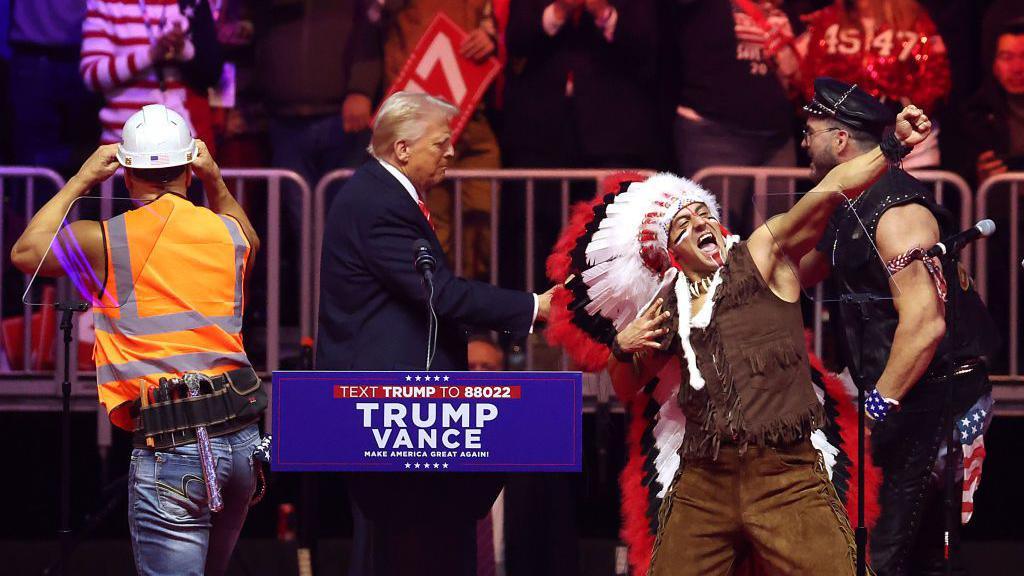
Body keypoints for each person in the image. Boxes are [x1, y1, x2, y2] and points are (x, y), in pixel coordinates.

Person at [545, 88, 930, 573]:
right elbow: (627, 386)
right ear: (669, 253)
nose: (703, 222)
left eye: (704, 213)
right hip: (704, 478)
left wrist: (892, 146)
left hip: (786, 475)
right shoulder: (667, 304)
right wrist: (623, 349)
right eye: (683, 224)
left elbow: (828, 192)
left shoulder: (761, 254)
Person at [10, 104, 265, 576]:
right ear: (190, 168)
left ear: (125, 174)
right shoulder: (227, 233)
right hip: (241, 444)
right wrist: (217, 182)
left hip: (173, 446)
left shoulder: (110, 238)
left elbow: (26, 251)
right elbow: (249, 239)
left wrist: (82, 178)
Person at [316, 90, 553, 576]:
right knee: (413, 549)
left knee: (428, 544)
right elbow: (439, 294)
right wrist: (532, 306)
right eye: (441, 143)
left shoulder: (385, 196)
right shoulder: (378, 203)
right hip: (387, 412)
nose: (450, 152)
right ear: (403, 149)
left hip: (404, 415)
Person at [800, 77, 996, 576]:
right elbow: (801, 268)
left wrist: (873, 409)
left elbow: (925, 325)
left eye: (811, 130)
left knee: (881, 558)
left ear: (840, 140)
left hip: (929, 398)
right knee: (894, 556)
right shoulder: (849, 205)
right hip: (903, 397)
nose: (803, 142)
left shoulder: (897, 212)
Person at [357, 0, 503, 280]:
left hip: (474, 117)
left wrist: (491, 36)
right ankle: (434, 314)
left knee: (480, 224)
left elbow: (501, 18)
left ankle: (473, 315)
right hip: (420, 120)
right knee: (433, 229)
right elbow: (373, 19)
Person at [797, 0, 951, 168]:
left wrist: (904, 106)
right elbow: (811, 79)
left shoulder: (915, 20)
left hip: (911, 150)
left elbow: (936, 80)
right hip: (845, 147)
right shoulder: (828, 20)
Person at [80, 0, 198, 145]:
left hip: (174, 138)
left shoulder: (171, 3)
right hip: (125, 142)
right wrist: (150, 55)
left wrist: (180, 47)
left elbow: (193, 57)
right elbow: (92, 75)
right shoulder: (105, 4)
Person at [963, 20, 1024, 186]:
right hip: (1002, 205)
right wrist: (979, 177)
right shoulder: (977, 114)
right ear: (994, 65)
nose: (1018, 68)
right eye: (1007, 57)